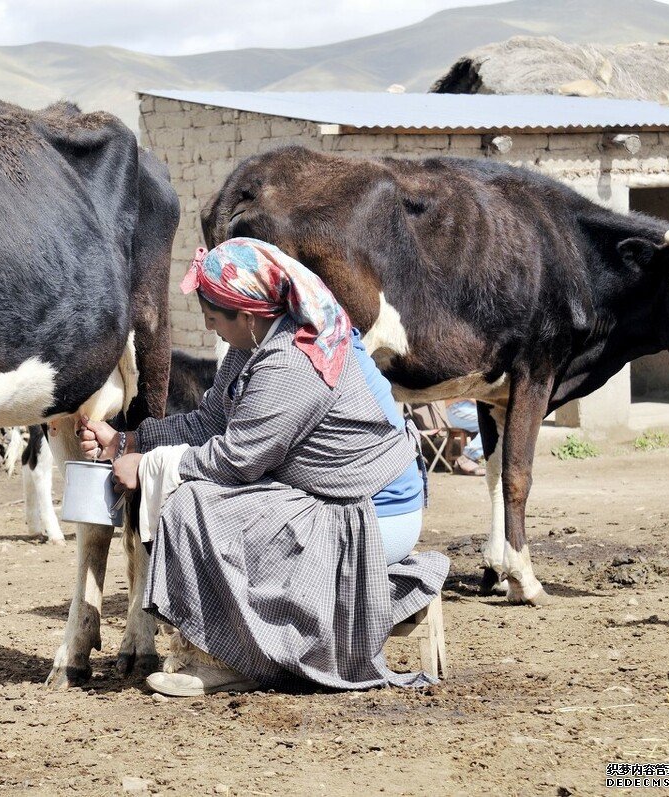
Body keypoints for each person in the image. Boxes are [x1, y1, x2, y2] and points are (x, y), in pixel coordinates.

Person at [79, 238, 448, 697]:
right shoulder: (255, 344)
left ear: (248, 315)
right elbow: (212, 420)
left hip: (369, 512)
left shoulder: (294, 359)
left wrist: (150, 466)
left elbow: (239, 459)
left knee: (196, 503)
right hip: (325, 494)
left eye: (215, 320)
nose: (212, 330)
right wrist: (129, 440)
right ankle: (234, 649)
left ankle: (230, 659)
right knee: (195, 493)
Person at [446, 399, 486, 476]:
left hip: (471, 406)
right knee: (495, 421)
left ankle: (481, 460)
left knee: (502, 420)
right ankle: (467, 458)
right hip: (458, 407)